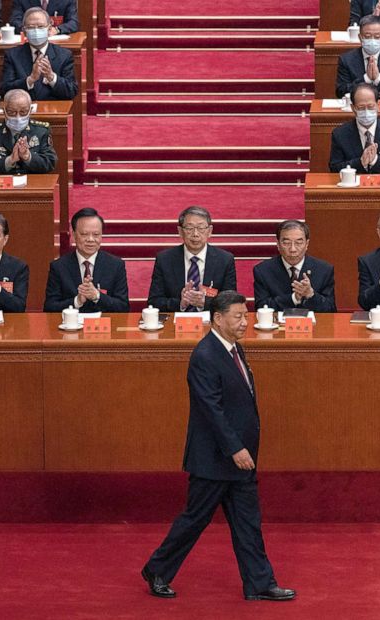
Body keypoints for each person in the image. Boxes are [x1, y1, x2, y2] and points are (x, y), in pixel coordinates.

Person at [142, 290, 296, 603]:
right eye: (237, 317)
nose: (244, 322)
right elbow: (211, 410)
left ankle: (259, 583)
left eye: (245, 316)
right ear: (217, 318)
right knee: (194, 520)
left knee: (248, 524)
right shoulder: (205, 355)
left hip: (241, 459)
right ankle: (157, 569)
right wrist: (236, 449)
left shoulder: (234, 349)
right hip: (215, 459)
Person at [147, 206, 237, 312]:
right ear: (180, 231)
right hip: (175, 322)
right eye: (189, 228)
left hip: (211, 322)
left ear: (210, 231)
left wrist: (205, 303)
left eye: (201, 228)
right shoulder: (165, 259)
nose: (195, 234)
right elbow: (154, 301)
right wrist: (180, 303)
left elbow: (231, 302)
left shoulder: (225, 260)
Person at [43, 208, 129, 312]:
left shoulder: (115, 265)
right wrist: (77, 301)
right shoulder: (58, 267)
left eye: (96, 234)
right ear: (74, 235)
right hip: (71, 326)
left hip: (104, 326)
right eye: (84, 234)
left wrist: (97, 296)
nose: (91, 240)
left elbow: (123, 307)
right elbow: (49, 308)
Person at [252, 220, 337, 313]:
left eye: (298, 243)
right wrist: (293, 298)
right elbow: (261, 308)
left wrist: (310, 294)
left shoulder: (324, 270)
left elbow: (331, 310)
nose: (293, 249)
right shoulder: (263, 271)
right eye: (287, 243)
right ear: (278, 244)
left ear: (307, 244)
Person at [0, 7, 77, 100]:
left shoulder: (64, 56)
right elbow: (4, 90)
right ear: (24, 31)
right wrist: (30, 80)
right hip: (23, 110)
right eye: (31, 27)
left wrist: (51, 77)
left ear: (49, 29)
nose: (36, 31)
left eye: (40, 27)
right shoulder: (12, 55)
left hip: (52, 111)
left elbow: (71, 91)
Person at [329, 83, 380, 174]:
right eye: (361, 108)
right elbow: (334, 168)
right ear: (353, 108)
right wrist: (361, 162)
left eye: (370, 107)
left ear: (377, 106)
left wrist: (375, 160)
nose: (366, 111)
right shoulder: (340, 134)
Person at [0, 89, 57, 173]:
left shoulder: (41, 131)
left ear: (30, 111)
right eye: (12, 112)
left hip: (32, 182)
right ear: (4, 111)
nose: (18, 118)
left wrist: (28, 157)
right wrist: (9, 160)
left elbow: (50, 163)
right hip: (4, 183)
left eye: (23, 112)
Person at [335, 15, 380, 99]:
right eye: (367, 36)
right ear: (360, 37)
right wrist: (366, 79)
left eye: (377, 37)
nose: (372, 40)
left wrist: (378, 79)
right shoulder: (346, 60)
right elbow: (341, 92)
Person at [10, 0, 78, 34]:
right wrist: (28, 29)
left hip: (57, 44)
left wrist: (57, 30)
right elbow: (14, 21)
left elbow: (73, 23)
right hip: (29, 42)